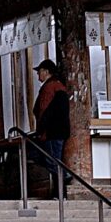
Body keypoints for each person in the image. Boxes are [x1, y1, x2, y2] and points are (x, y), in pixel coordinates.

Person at [31, 59, 72, 194]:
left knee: (52, 161)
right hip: (57, 131)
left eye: (40, 72)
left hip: (52, 131)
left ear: (46, 72)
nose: (38, 75)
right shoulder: (58, 86)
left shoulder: (50, 88)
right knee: (52, 159)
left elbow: (44, 110)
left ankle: (63, 182)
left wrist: (41, 129)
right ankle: (58, 192)